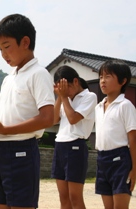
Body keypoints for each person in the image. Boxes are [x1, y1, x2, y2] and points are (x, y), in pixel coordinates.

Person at [0, 14, 55, 209]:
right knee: (0, 204)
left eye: (6, 46)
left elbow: (48, 118)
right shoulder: (8, 78)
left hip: (21, 149)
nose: (3, 54)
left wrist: (5, 130)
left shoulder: (38, 73)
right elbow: (0, 117)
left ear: (25, 42)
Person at [52, 65, 97, 209]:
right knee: (63, 197)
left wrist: (64, 97)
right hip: (60, 144)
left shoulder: (89, 96)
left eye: (67, 87)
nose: (66, 91)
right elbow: (53, 120)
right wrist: (60, 97)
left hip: (75, 146)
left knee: (75, 197)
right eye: (61, 88)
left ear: (76, 82)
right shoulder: (65, 98)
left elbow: (73, 119)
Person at [95, 60, 136, 209]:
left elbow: (133, 140)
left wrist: (134, 170)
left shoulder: (125, 106)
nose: (102, 81)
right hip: (102, 159)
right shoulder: (98, 107)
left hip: (120, 159)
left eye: (108, 76)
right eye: (100, 77)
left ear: (123, 81)